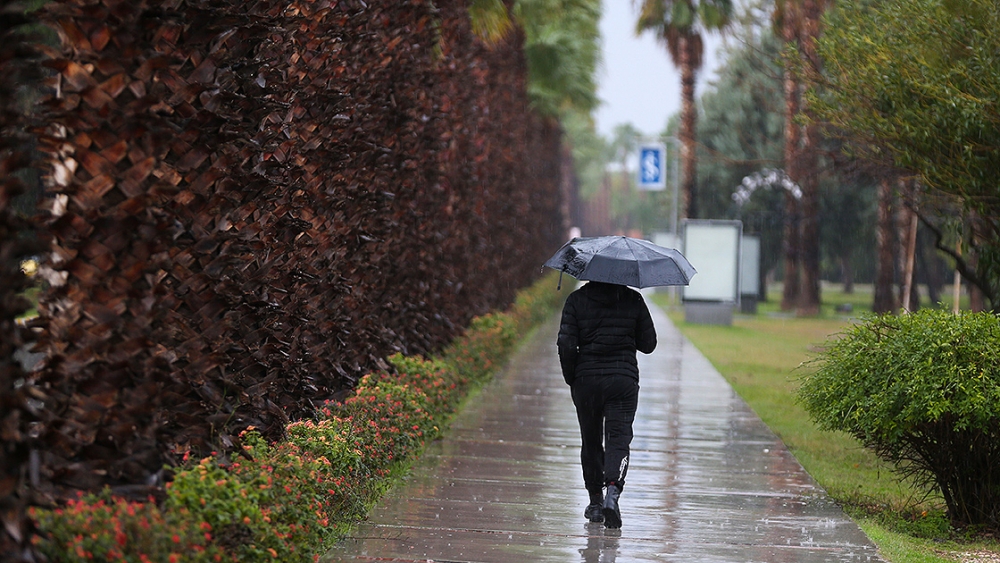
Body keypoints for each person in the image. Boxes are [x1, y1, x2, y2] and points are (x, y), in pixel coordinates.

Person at [556, 281, 656, 529]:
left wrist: (573, 378)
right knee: (618, 439)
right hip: (622, 381)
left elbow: (566, 345)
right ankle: (613, 491)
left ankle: (595, 503)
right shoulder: (633, 300)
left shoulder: (576, 301)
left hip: (586, 382)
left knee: (591, 441)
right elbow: (649, 344)